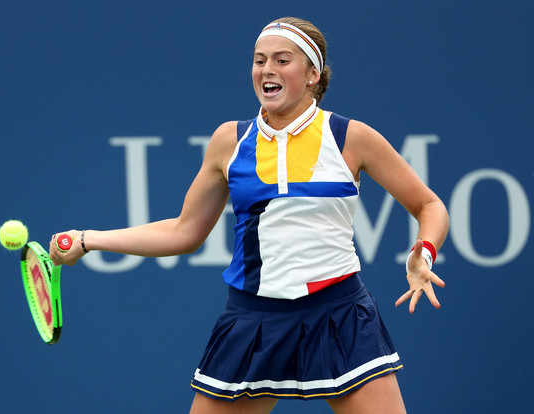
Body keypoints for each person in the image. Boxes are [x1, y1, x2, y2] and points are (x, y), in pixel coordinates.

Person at [50, 17, 449, 414]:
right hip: (254, 320)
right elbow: (184, 231)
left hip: (340, 316)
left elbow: (429, 206)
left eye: (281, 60)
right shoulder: (230, 140)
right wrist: (89, 239)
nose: (267, 70)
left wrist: (424, 252)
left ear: (312, 74)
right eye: (260, 61)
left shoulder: (351, 137)